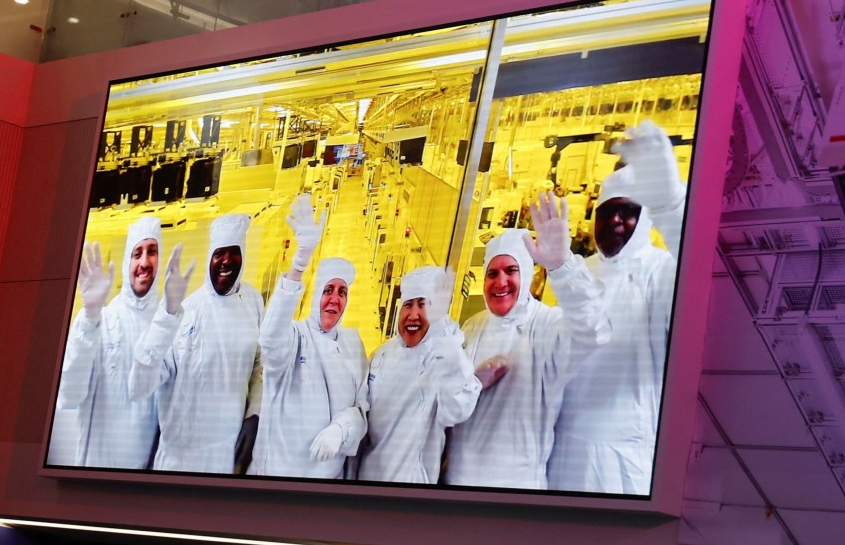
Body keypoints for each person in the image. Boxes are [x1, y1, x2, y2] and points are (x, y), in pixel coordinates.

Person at [550, 122, 686, 494]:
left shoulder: (660, 271)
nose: (615, 221)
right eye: (607, 212)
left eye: (627, 212)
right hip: (562, 446)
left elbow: (698, 274)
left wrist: (672, 206)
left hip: (623, 455)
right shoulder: (579, 270)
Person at [444, 194, 610, 490]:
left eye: (511, 271)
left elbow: (594, 330)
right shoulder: (473, 327)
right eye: (492, 273)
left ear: (528, 274)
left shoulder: (548, 326)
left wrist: (563, 268)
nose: (500, 282)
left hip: (515, 487)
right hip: (459, 481)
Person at [314, 266, 479, 484]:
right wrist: (340, 429)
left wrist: (449, 345)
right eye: (408, 305)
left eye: (424, 305)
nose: (413, 315)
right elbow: (363, 409)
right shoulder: (382, 355)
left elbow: (458, 409)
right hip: (366, 479)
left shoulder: (442, 360)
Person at [133, 213, 264, 473]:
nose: (226, 261)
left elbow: (259, 364)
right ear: (209, 258)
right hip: (181, 462)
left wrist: (255, 412)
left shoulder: (253, 301)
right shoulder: (185, 312)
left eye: (234, 252)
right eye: (219, 253)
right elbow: (140, 386)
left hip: (229, 456)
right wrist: (165, 317)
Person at [251, 196, 366, 479]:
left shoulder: (352, 343)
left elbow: (362, 408)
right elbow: (270, 339)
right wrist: (299, 264)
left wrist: (341, 429)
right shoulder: (296, 337)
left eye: (342, 292)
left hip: (328, 481)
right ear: (315, 296)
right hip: (280, 477)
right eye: (328, 290)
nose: (334, 299)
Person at [51, 216, 169, 468]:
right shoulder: (102, 320)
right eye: (137, 253)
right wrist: (89, 316)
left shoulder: (167, 325)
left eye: (152, 252)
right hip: (95, 472)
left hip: (144, 477)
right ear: (127, 261)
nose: (144, 262)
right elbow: (69, 394)